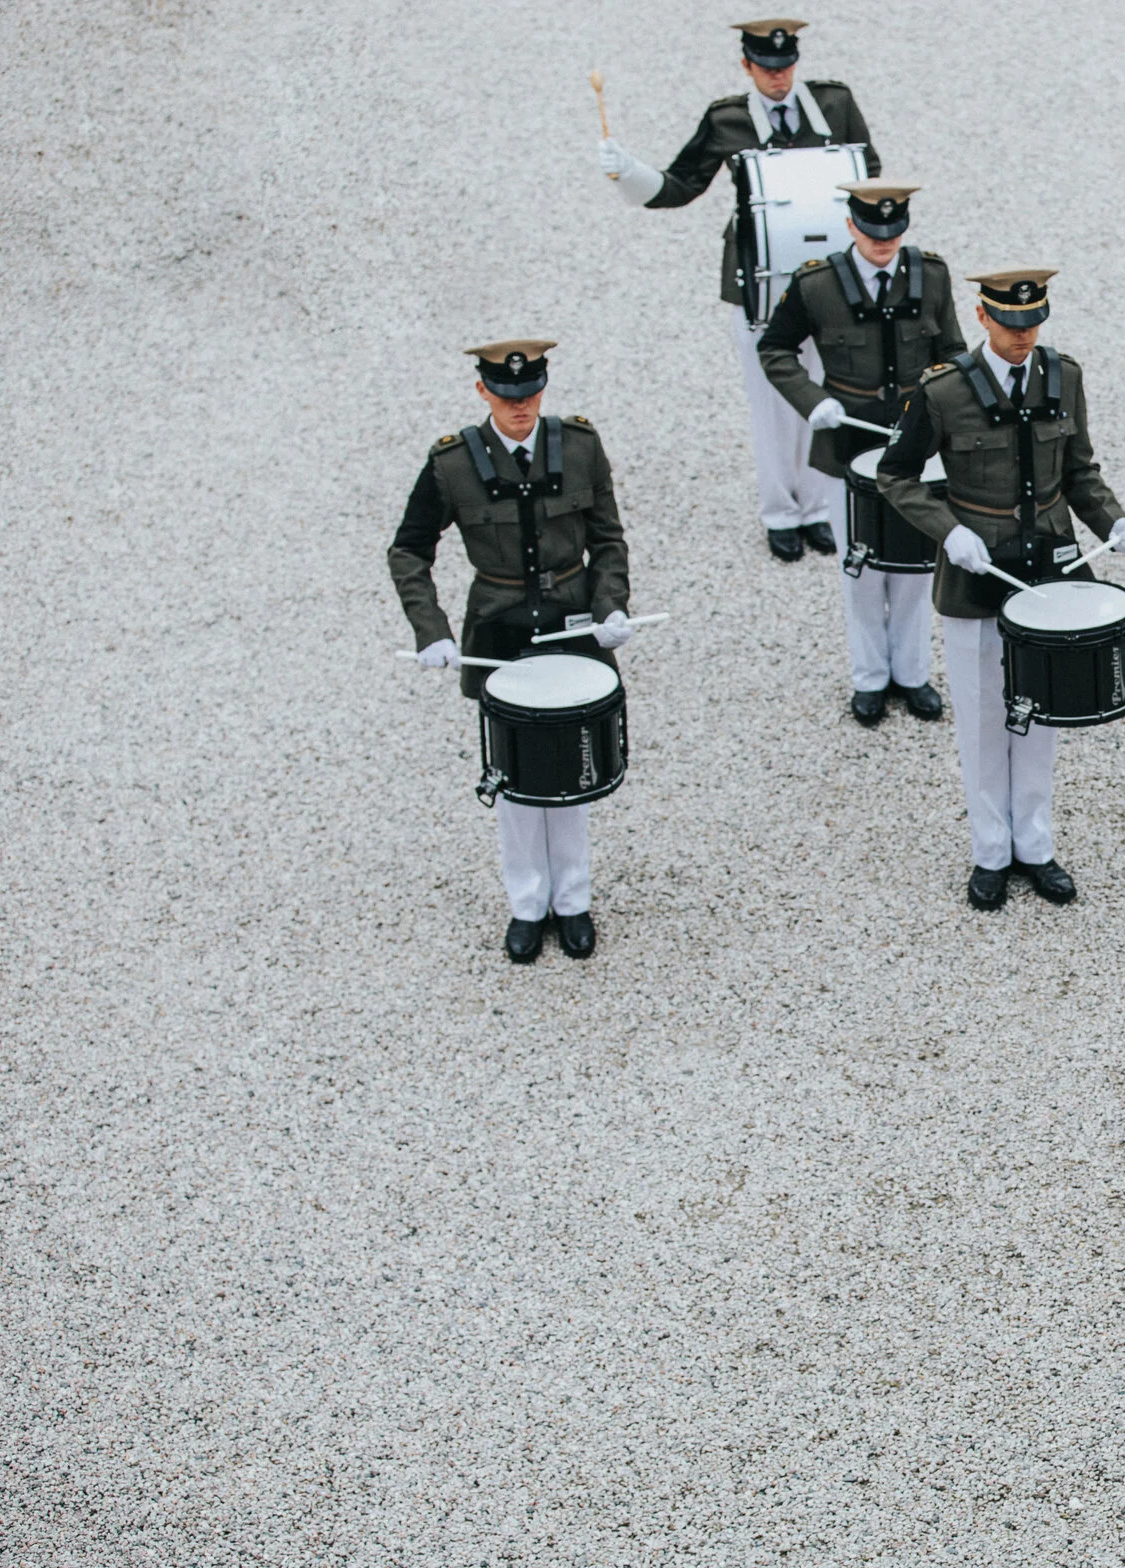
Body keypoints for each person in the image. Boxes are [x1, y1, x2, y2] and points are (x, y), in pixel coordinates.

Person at [875, 269, 1125, 911]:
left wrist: (1114, 520)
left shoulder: (1064, 377)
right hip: (977, 573)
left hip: (1048, 571)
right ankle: (990, 852)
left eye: (1033, 325)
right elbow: (896, 475)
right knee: (980, 717)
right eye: (1010, 324)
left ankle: (1036, 846)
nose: (1023, 337)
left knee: (1040, 714)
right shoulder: (942, 392)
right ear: (982, 317)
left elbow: (1079, 470)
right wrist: (947, 531)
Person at [386, 340, 636, 964]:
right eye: (506, 396)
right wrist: (431, 630)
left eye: (529, 395)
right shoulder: (452, 464)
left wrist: (611, 605)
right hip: (499, 629)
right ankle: (527, 903)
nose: (520, 407)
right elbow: (409, 550)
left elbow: (607, 537)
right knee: (518, 776)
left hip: (573, 623)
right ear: (482, 394)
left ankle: (573, 900)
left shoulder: (579, 447)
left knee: (574, 768)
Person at [595, 19, 881, 561]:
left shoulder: (835, 104)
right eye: (767, 68)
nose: (779, 77)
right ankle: (779, 512)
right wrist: (629, 174)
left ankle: (818, 506)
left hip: (828, 276)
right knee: (771, 397)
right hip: (760, 276)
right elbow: (681, 185)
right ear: (747, 67)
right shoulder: (727, 118)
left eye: (786, 66)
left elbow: (868, 173)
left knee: (828, 387)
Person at [758, 181, 965, 724]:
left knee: (919, 568)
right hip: (846, 443)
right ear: (852, 226)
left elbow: (951, 353)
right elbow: (775, 349)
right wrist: (812, 400)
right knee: (861, 567)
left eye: (894, 233)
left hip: (914, 446)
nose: (884, 242)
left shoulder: (932, 276)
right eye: (873, 232)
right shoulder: (817, 284)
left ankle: (913, 673)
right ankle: (870, 677)